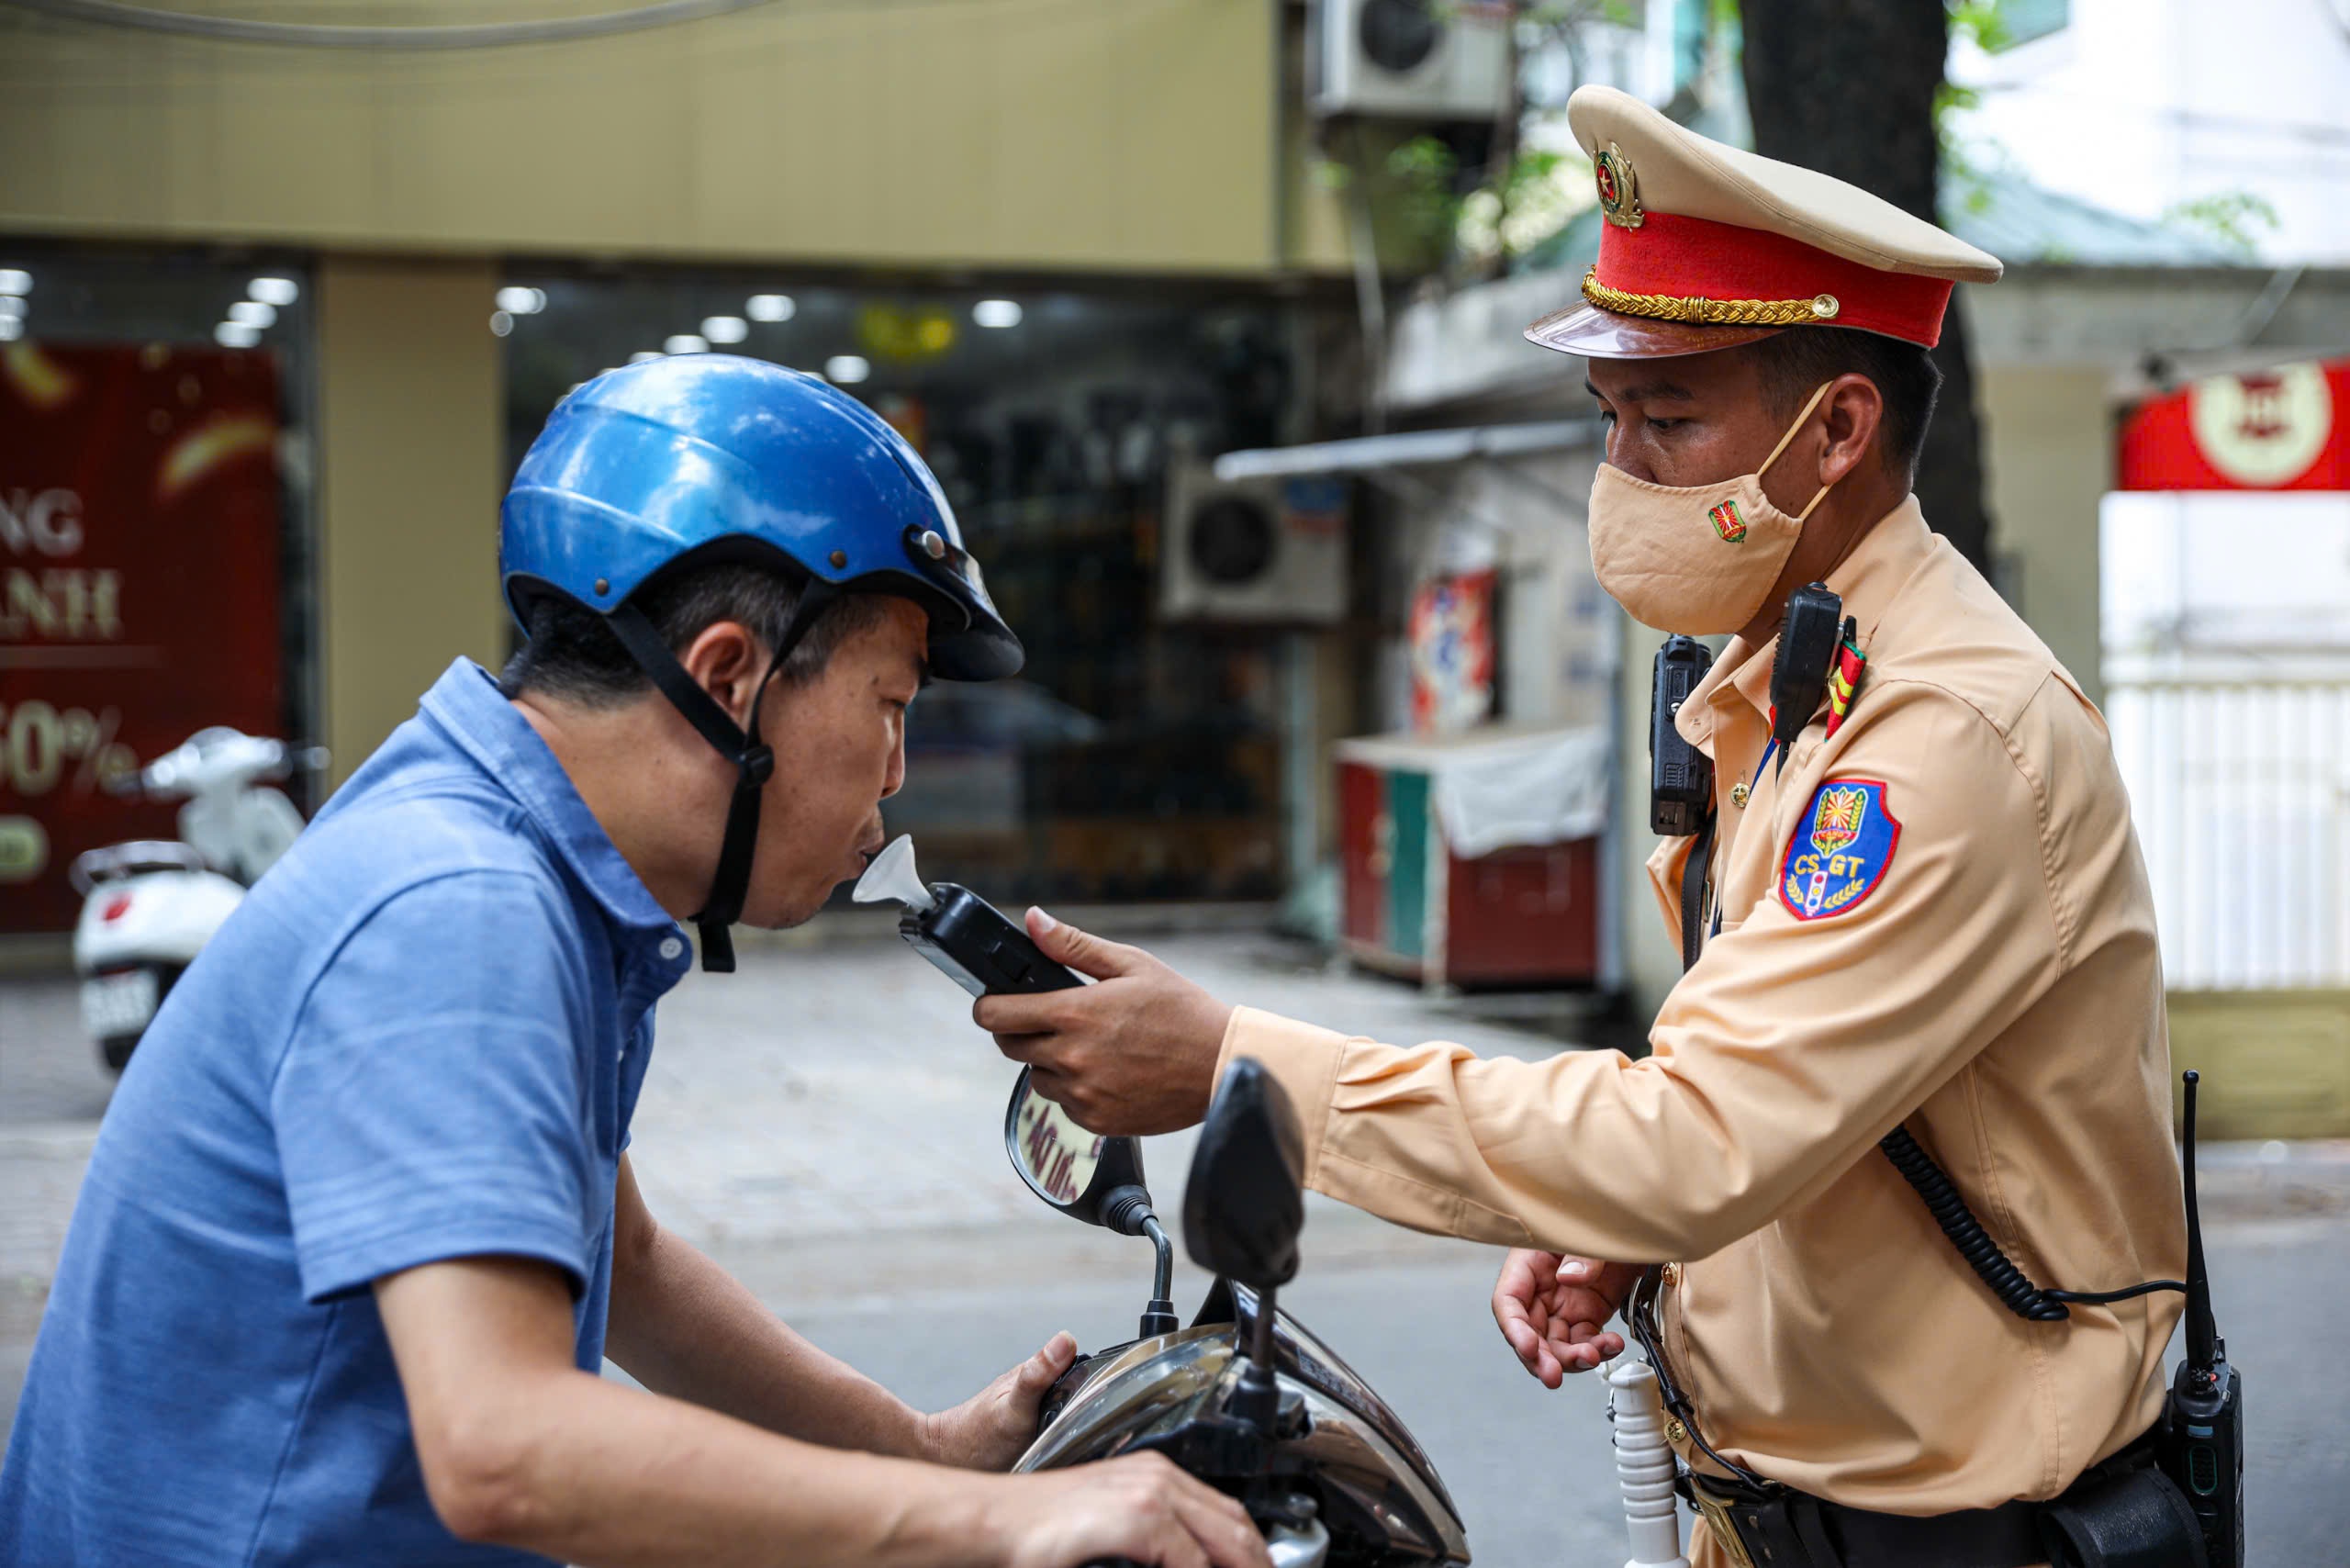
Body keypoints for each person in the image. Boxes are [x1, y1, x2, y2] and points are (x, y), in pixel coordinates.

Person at [974, 88, 2189, 1567]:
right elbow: (1791, 1089)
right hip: (1780, 1514)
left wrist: (1240, 1067)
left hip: (1954, 1538)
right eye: (1611, 420)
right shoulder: (1793, 682)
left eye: (1668, 421)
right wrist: (1653, 1232)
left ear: (1838, 432)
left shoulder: (1940, 738)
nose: (1623, 475)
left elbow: (1696, 1136)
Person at [0, 356, 1268, 1568]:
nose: (896, 772)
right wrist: (994, 1530)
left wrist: (926, 1454)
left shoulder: (533, 873)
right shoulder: (461, 911)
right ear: (728, 678)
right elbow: (501, 1446)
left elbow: (638, 1271)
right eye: (889, 706)